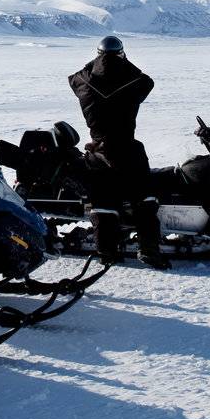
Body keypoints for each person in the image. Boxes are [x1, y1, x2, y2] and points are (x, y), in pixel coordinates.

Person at [68, 34, 168, 267]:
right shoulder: (134, 81)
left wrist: (97, 63)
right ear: (122, 54)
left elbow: (74, 78)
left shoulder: (83, 81)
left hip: (98, 149)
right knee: (144, 199)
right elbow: (147, 81)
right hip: (127, 148)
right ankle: (149, 250)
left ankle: (107, 254)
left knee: (103, 203)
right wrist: (122, 61)